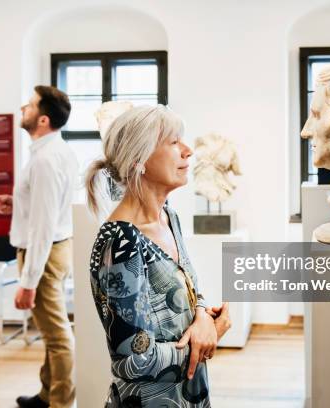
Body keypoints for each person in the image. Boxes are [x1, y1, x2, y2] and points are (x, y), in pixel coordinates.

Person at [86, 105, 232, 407]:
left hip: (189, 395)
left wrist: (203, 316)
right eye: (174, 141)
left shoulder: (169, 217)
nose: (188, 150)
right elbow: (133, 360)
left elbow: (190, 286)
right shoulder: (120, 241)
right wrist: (209, 337)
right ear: (139, 159)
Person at [0, 85, 78, 408]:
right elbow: (46, 209)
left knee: (57, 336)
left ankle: (60, 403)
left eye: (28, 106)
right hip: (54, 247)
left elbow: (43, 227)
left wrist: (27, 283)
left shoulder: (46, 160)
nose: (22, 109)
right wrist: (16, 203)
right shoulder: (52, 152)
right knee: (52, 333)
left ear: (43, 119)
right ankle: (46, 394)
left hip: (44, 252)